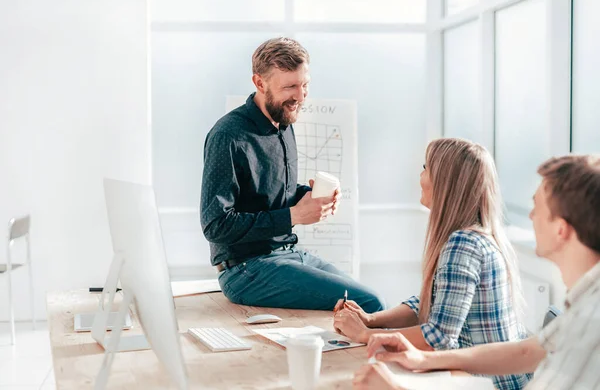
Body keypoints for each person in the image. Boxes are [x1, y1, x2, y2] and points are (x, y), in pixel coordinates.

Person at [353, 154, 600, 390]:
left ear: (560, 229)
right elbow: (527, 351)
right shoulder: (585, 299)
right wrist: (422, 359)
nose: (531, 215)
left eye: (536, 207)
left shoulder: (591, 321)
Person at [200, 37, 384, 312]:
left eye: (305, 84)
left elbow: (267, 195)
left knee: (374, 304)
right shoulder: (228, 135)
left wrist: (308, 196)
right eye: (290, 87)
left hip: (289, 254)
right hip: (246, 270)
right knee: (369, 303)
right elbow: (216, 225)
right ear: (260, 83)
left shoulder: (283, 124)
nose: (300, 96)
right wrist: (295, 215)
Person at [334, 138, 530, 390]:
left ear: (445, 181)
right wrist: (371, 319)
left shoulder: (464, 243)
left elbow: (439, 339)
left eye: (426, 167)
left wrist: (364, 335)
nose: (420, 175)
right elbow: (434, 301)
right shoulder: (475, 235)